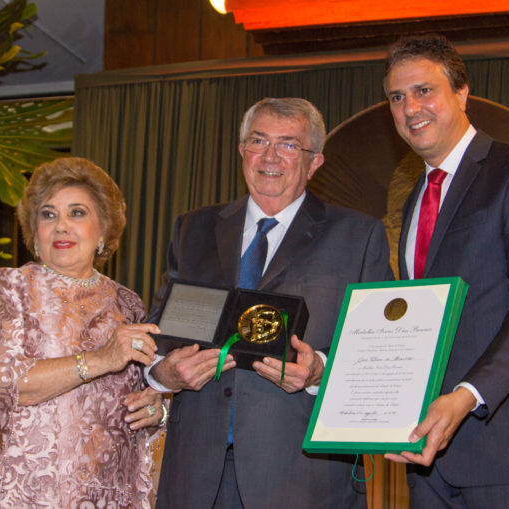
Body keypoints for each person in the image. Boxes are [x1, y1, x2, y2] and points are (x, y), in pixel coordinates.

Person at [146, 97, 394, 508]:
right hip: (197, 475)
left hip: (304, 477)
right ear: (242, 151)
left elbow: (377, 350)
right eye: (258, 141)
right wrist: (162, 373)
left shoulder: (358, 235)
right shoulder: (194, 228)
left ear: (315, 162)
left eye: (289, 145)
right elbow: (158, 330)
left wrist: (318, 371)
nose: (270, 156)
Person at [382, 35, 509, 507]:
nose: (410, 107)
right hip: (429, 453)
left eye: (424, 91)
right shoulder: (415, 200)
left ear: (462, 93)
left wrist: (467, 395)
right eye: (397, 97)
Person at [0, 157, 165, 508]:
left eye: (77, 213)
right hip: (14, 494)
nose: (61, 226)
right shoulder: (9, 289)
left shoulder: (128, 305)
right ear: (34, 232)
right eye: (48, 215)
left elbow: (139, 406)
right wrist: (100, 359)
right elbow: (3, 384)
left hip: (104, 496)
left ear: (104, 230)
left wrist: (157, 411)